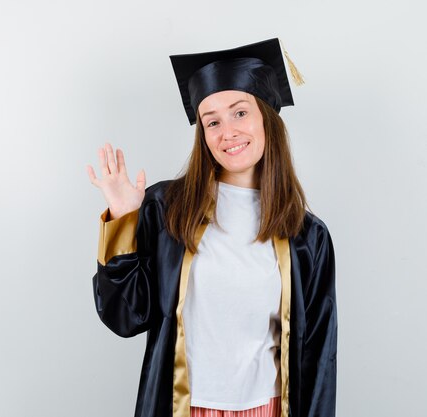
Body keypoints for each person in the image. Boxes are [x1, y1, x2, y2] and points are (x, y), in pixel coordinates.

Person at [86, 38, 337, 417]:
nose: (227, 132)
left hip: (268, 409)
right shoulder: (168, 209)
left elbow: (319, 355)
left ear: (267, 116)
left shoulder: (307, 236)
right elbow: (125, 317)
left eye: (240, 113)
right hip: (182, 407)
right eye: (213, 121)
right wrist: (124, 218)